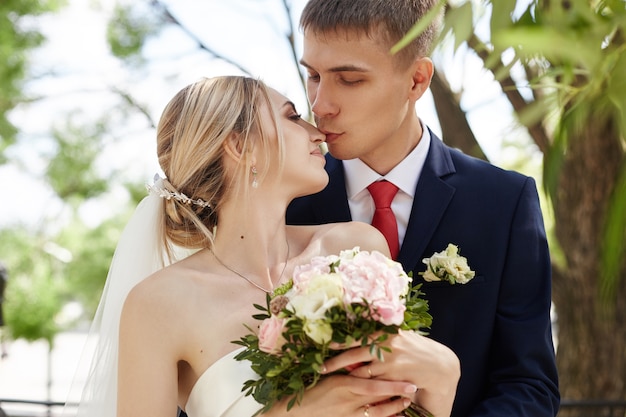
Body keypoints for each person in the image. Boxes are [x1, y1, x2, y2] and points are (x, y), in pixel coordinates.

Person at [69, 76, 460, 417]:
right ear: (240, 146)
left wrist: (444, 378)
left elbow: (401, 405)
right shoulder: (157, 304)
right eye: (292, 116)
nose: (317, 131)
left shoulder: (356, 248)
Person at [286, 1, 560, 416]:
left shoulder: (504, 201)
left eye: (350, 79)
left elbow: (528, 386)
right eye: (313, 75)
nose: (321, 104)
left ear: (416, 79)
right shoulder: (284, 200)